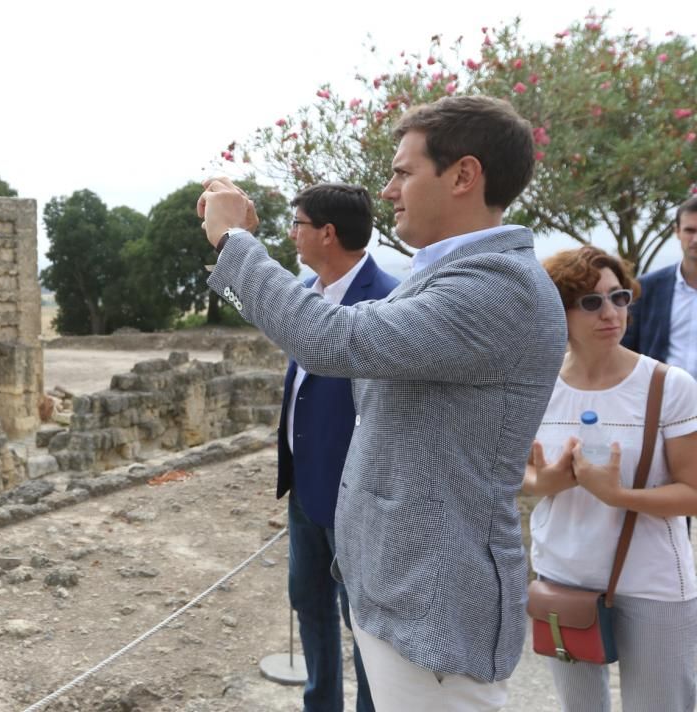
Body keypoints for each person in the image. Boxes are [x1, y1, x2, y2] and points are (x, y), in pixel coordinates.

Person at [198, 95, 567, 711]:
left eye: (404, 171)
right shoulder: (448, 273)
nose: (390, 189)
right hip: (401, 592)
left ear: (464, 175)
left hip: (436, 610)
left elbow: (334, 338)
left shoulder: (497, 287)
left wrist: (235, 242)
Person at [525, 245, 697, 711]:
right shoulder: (537, 386)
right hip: (564, 574)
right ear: (558, 312)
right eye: (591, 302)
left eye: (619, 297)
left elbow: (693, 493)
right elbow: (514, 470)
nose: (611, 313)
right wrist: (544, 483)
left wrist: (619, 495)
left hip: (653, 582)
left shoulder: (668, 385)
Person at [278, 183, 397, 712]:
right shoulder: (307, 292)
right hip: (305, 488)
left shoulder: (389, 300)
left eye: (298, 223)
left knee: (363, 620)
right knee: (308, 602)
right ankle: (319, 703)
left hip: (356, 498)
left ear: (327, 233)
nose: (292, 233)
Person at [623, 196, 697, 379]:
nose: (695, 239)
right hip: (660, 399)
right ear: (677, 232)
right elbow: (625, 348)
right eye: (690, 230)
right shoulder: (646, 288)